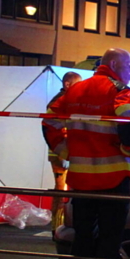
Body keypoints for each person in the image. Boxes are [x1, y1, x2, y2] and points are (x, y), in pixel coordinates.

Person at [42, 50, 130, 259]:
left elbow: (48, 121)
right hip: (114, 179)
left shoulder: (74, 91)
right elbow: (129, 126)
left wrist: (64, 151)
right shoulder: (121, 91)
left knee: (83, 240)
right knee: (109, 242)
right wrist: (128, 149)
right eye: (129, 65)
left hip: (81, 180)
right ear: (114, 65)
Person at [45, 71, 81, 230]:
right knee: (62, 192)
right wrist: (64, 154)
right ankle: (57, 227)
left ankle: (58, 225)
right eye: (77, 84)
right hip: (61, 155)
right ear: (67, 84)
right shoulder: (61, 102)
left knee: (62, 191)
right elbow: (58, 130)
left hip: (62, 153)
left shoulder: (62, 100)